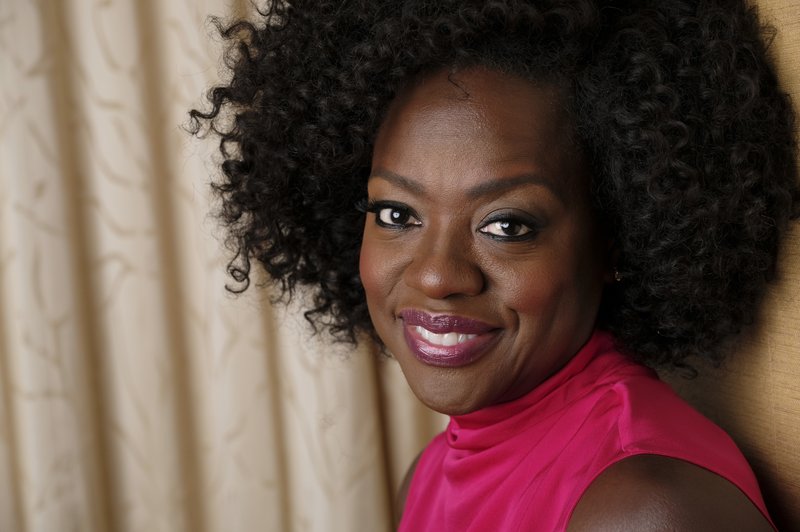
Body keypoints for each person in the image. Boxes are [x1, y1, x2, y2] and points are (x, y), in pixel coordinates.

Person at [190, 0, 799, 529]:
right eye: (397, 215)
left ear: (616, 239)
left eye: (506, 226)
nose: (436, 275)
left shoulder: (646, 511)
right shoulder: (432, 472)